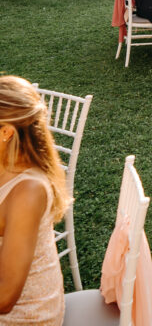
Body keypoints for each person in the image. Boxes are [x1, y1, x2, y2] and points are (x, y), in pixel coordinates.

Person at [0, 76, 70, 325]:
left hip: (26, 317)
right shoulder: (4, 162)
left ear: (6, 132)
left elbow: (5, 298)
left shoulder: (29, 191)